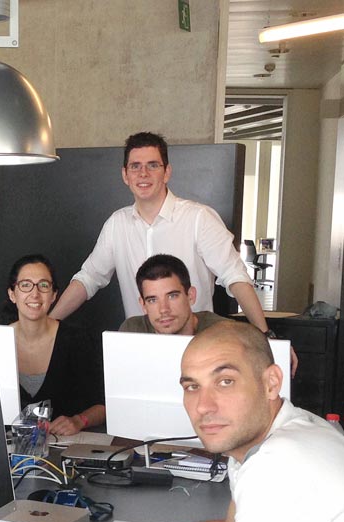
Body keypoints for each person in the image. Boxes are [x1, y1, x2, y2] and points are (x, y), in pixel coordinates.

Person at [28, 321, 344, 522]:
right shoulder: (273, 437)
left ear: (272, 382)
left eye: (225, 381)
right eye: (192, 386)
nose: (203, 406)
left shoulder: (282, 462)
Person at [49, 132, 296, 373]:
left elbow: (235, 277)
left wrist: (266, 336)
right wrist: (46, 324)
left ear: (167, 171)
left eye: (152, 165)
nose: (143, 174)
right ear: (125, 175)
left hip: (199, 348)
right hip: (142, 351)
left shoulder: (199, 218)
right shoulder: (117, 224)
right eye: (135, 166)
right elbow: (88, 279)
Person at [6, 254, 104, 436]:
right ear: (12, 294)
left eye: (43, 285)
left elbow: (104, 405)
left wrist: (79, 420)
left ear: (53, 295)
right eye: (25, 285)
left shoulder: (78, 340)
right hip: (9, 449)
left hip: (66, 446)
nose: (35, 294)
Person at [119, 254, 226, 335]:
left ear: (191, 296)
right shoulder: (132, 331)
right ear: (143, 305)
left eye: (172, 296)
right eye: (152, 300)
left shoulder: (222, 332)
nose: (163, 309)